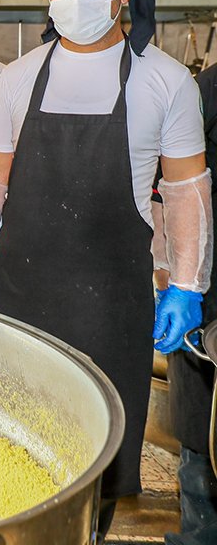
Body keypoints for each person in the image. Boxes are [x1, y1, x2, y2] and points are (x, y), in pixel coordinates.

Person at [0, 0, 211, 542]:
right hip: (21, 290)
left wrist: (188, 283)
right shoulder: (17, 78)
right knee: (13, 436)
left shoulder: (166, 82)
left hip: (110, 302)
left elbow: (186, 189)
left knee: (99, 451)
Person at [163, 61, 217, 545]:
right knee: (201, 451)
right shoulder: (207, 89)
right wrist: (178, 280)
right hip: (207, 287)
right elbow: (176, 189)